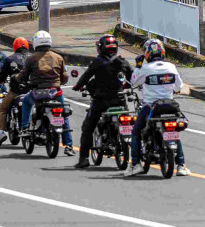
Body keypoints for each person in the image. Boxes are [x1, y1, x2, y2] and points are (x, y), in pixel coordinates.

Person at [126, 39, 188, 177]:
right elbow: (179, 87)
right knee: (174, 133)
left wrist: (137, 66)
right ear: (163, 52)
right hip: (170, 106)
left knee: (136, 131)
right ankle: (181, 165)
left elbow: (133, 82)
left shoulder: (145, 69)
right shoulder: (171, 67)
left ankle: (135, 164)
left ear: (147, 54)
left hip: (150, 107)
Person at [73, 34, 133, 169]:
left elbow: (86, 76)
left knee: (88, 127)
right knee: (129, 123)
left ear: (101, 47)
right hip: (119, 100)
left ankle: (84, 159)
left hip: (101, 100)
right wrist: (127, 87)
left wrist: (77, 86)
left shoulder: (98, 61)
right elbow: (132, 77)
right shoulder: (122, 61)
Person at [17, 30, 74, 155]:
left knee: (26, 102)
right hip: (55, 92)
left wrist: (18, 79)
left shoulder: (32, 58)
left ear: (36, 43)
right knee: (64, 115)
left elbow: (23, 75)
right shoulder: (58, 57)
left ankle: (25, 127)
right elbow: (64, 77)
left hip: (38, 93)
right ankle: (69, 146)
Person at [0, 37, 32, 147]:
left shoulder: (10, 59)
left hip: (15, 92)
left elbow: (2, 75)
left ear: (15, 47)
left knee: (2, 109)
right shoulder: (33, 58)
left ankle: (0, 132)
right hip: (31, 91)